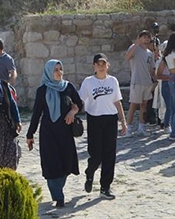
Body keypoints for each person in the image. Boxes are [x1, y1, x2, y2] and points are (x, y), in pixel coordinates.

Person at [26, 60, 83, 209]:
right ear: (49, 72)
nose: (59, 72)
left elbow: (80, 104)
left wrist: (73, 111)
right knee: (52, 165)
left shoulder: (68, 87)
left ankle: (58, 190)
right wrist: (30, 134)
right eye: (55, 70)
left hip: (65, 132)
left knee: (65, 163)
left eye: (60, 69)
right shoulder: (42, 90)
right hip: (48, 134)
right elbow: (36, 113)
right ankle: (58, 196)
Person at [78, 54, 126, 200]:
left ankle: (105, 187)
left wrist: (123, 120)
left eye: (103, 64)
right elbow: (80, 100)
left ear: (107, 65)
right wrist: (72, 112)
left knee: (109, 155)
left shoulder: (113, 81)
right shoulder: (88, 82)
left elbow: (117, 101)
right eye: (98, 64)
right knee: (96, 154)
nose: (101, 66)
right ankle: (90, 172)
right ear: (94, 66)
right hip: (94, 119)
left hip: (110, 119)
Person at [124, 30, 154, 135]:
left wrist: (155, 79)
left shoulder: (150, 53)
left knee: (144, 105)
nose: (146, 39)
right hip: (137, 81)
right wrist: (136, 44)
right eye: (144, 37)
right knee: (133, 104)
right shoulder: (135, 48)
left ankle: (142, 127)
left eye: (148, 37)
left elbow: (151, 69)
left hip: (147, 82)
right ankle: (129, 128)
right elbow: (127, 57)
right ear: (139, 38)